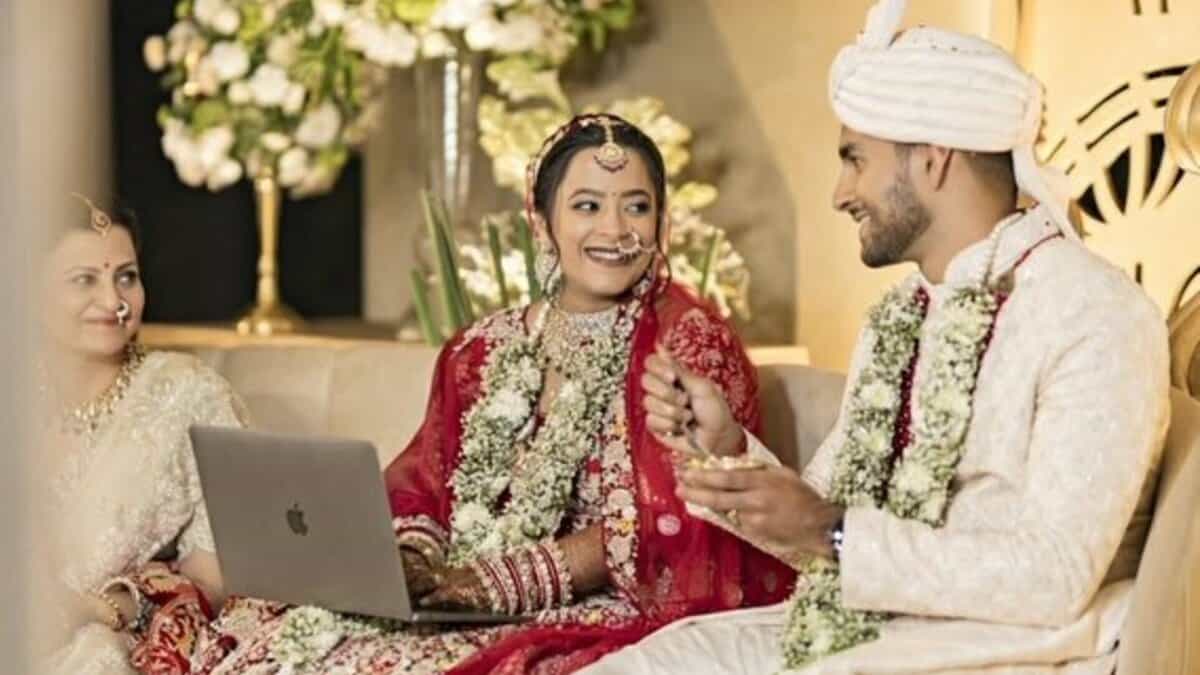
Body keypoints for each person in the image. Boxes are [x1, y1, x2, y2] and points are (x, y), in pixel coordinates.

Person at [582, 1, 1170, 673]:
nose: (840, 193)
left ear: (934, 159)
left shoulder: (1093, 311)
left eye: (855, 159)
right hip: (867, 632)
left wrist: (830, 530)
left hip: (992, 652)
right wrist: (727, 450)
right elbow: (825, 523)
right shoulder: (900, 315)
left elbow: (1056, 574)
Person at [180, 114, 793, 675]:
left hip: (604, 607)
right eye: (587, 205)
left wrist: (492, 585)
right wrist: (413, 564)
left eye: (637, 206)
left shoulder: (687, 343)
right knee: (276, 643)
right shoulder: (482, 348)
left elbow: (677, 517)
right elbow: (426, 481)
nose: (615, 229)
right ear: (541, 221)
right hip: (460, 590)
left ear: (661, 221)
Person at [34, 194, 248, 674]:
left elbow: (215, 586)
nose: (114, 302)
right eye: (84, 280)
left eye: (126, 277)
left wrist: (99, 610)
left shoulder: (189, 395)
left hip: (108, 645)